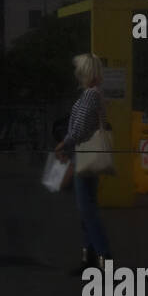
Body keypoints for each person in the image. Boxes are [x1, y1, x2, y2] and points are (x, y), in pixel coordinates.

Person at [55, 53, 111, 270]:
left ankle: (104, 259)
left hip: (84, 156)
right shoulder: (97, 94)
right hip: (89, 156)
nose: (77, 75)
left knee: (87, 210)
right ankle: (89, 258)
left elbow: (79, 130)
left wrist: (63, 145)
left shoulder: (90, 95)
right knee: (87, 208)